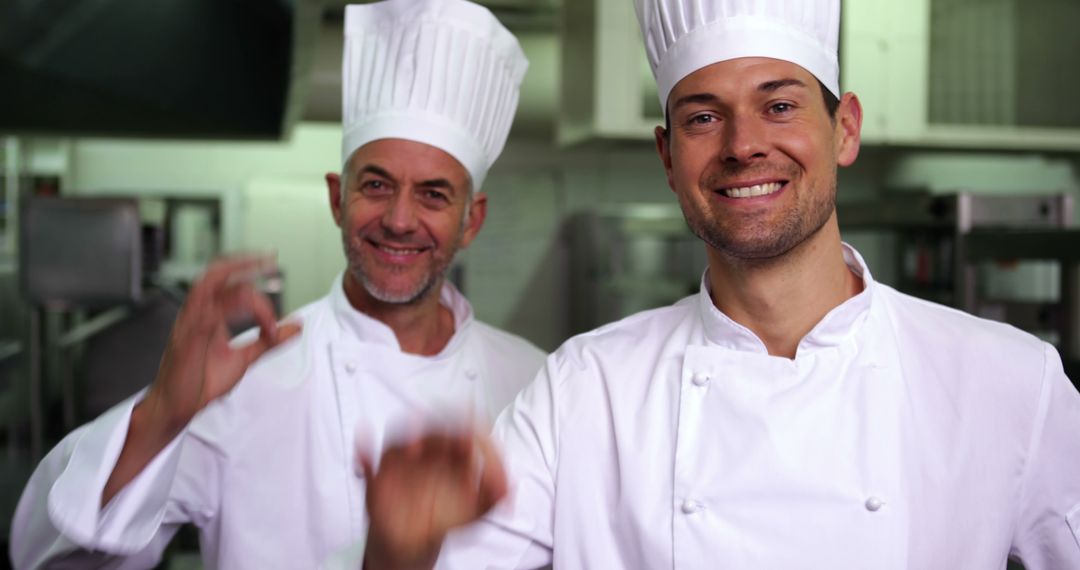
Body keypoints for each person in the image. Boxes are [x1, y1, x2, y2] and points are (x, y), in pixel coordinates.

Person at [359, 0, 1080, 568]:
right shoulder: (586, 389)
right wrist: (396, 548)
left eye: (780, 104)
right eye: (704, 116)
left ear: (846, 129)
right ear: (668, 157)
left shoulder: (1009, 381)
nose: (743, 145)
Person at [10, 1, 544, 568]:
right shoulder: (242, 381)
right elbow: (49, 557)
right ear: (338, 198)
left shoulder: (539, 387)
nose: (400, 220)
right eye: (377, 185)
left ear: (473, 220)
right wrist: (163, 410)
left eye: (433, 194)